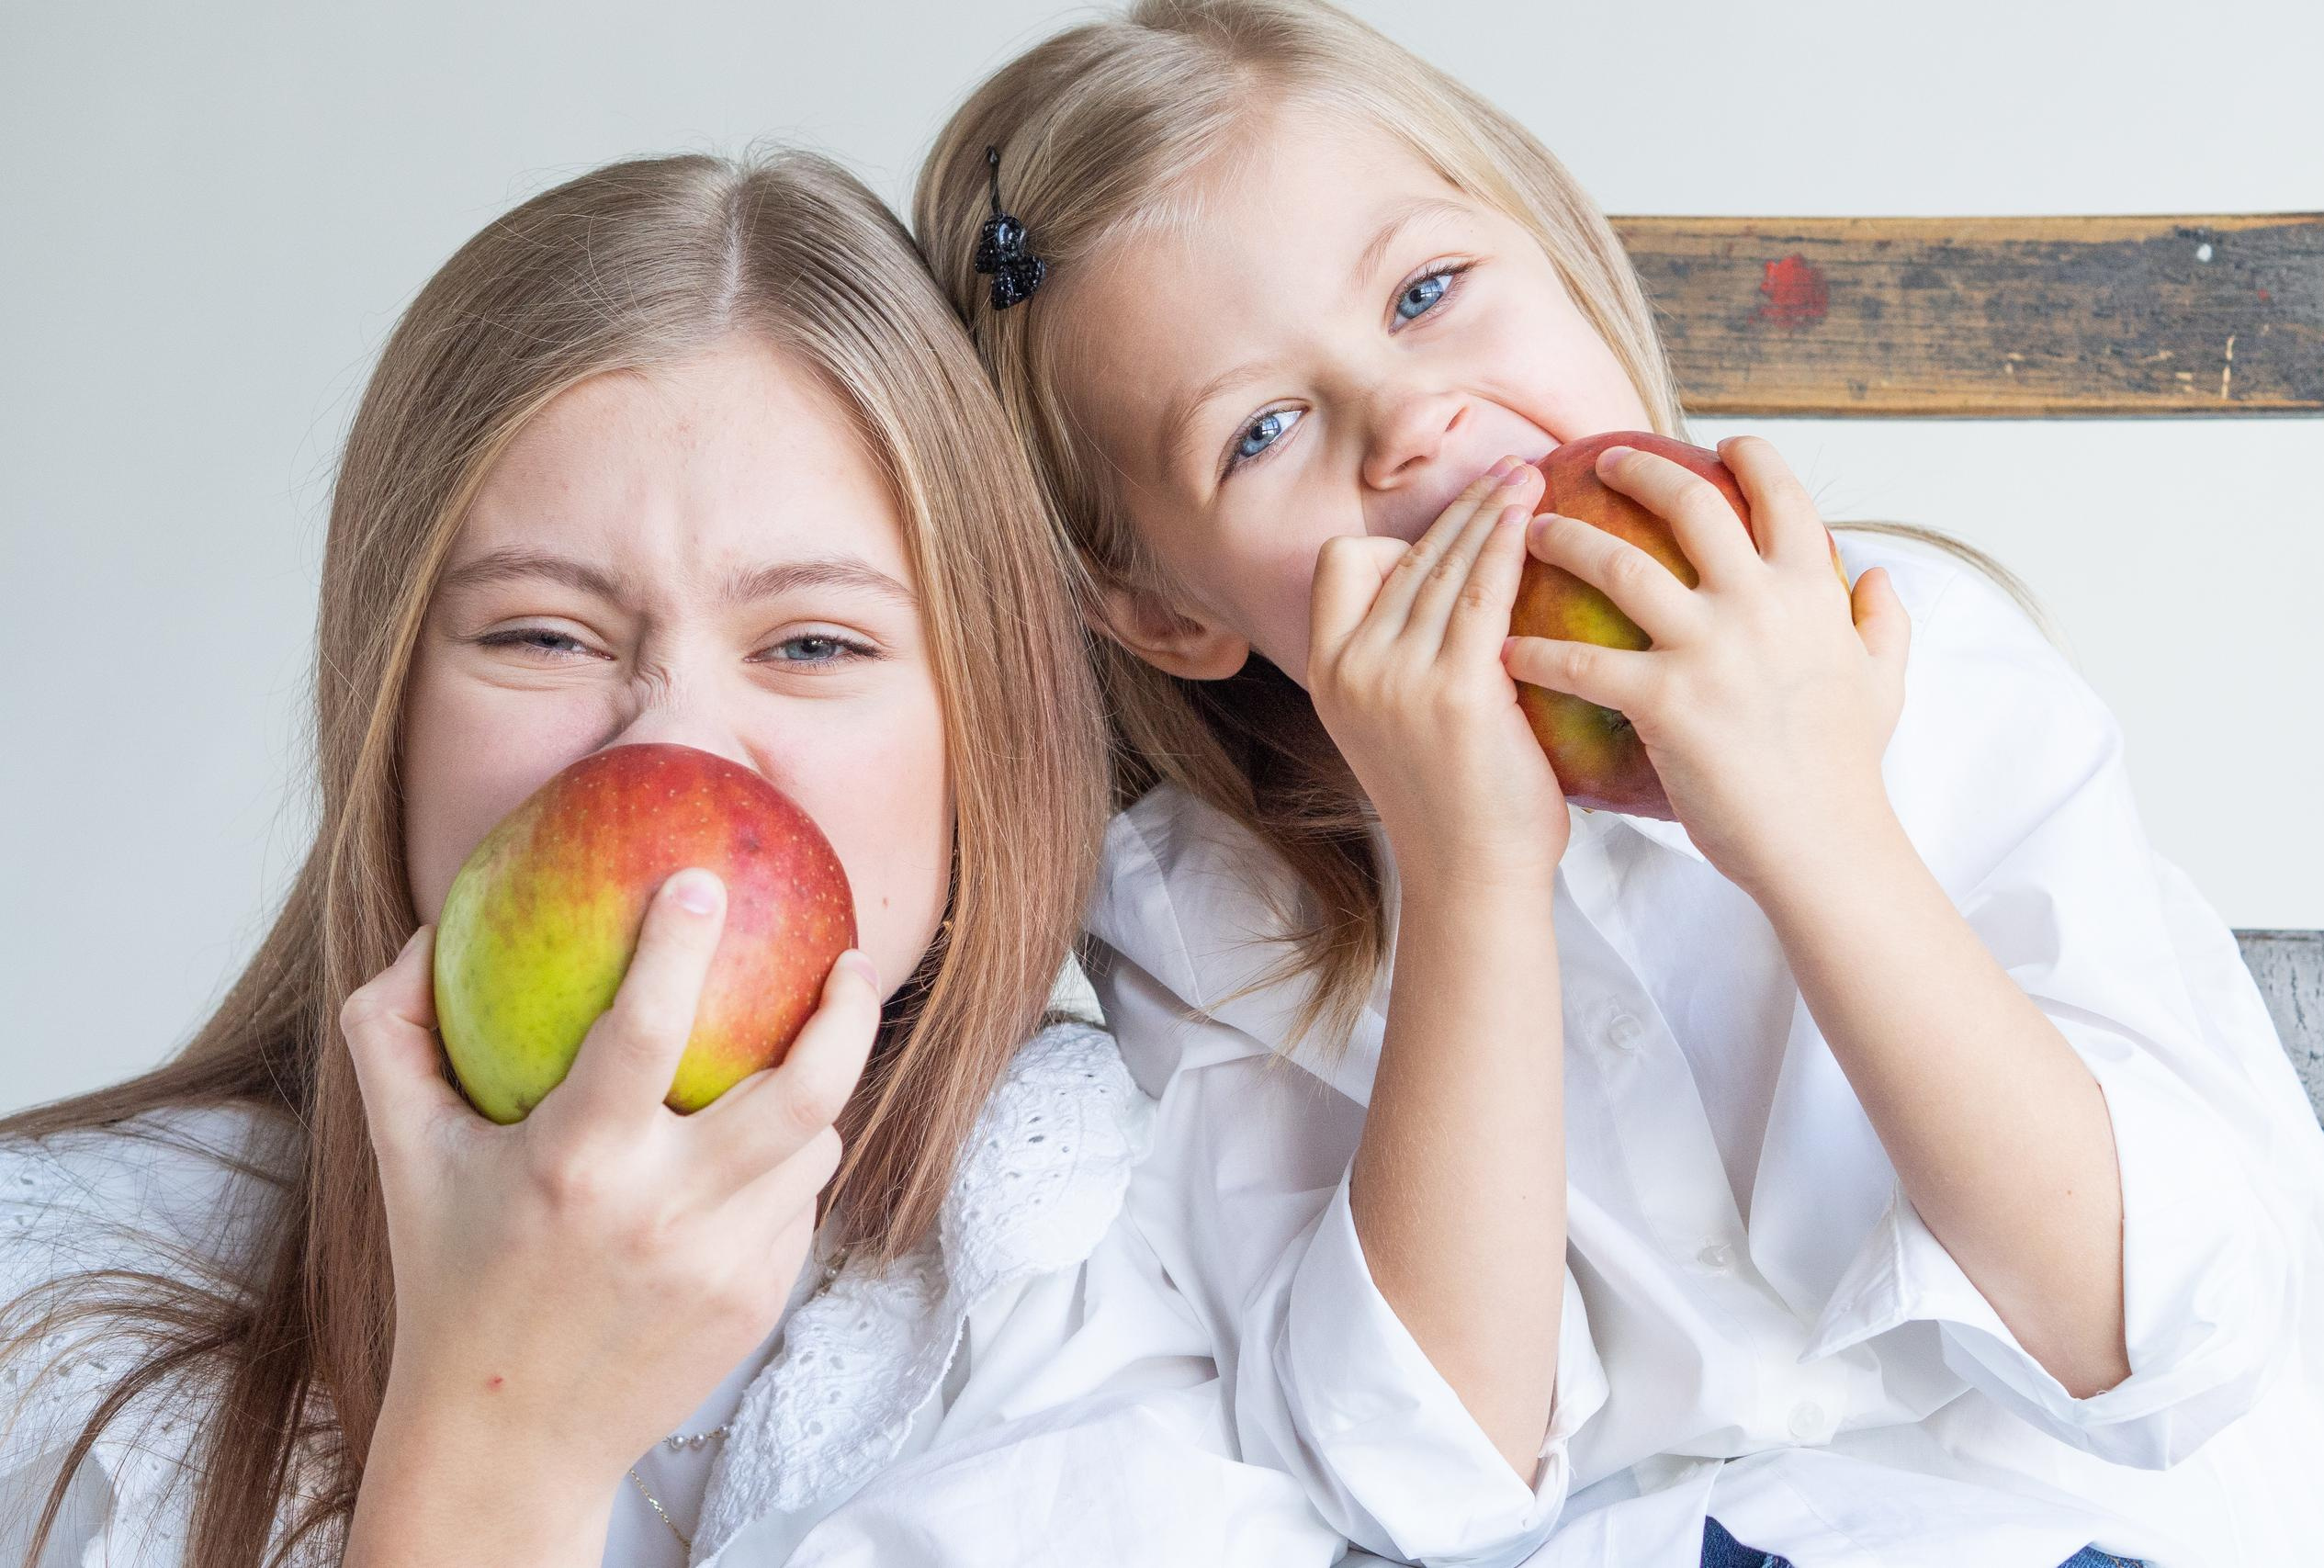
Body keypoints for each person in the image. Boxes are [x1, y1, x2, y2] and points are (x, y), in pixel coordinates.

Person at [908, 3, 2324, 1563]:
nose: (1409, 421)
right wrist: (1469, 879)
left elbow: (2157, 1352)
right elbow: (1423, 1488)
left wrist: (1818, 825)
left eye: (1428, 290)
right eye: (1262, 429)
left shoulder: (1911, 656)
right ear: (1173, 614)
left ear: (1564, 254)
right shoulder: (1205, 910)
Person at [1, 148, 1345, 1568]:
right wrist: (498, 1438)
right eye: (541, 635)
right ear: (386, 703)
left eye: (815, 643)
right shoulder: (57, 1324)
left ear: (986, 729)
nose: (678, 747)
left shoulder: (1136, 1259)